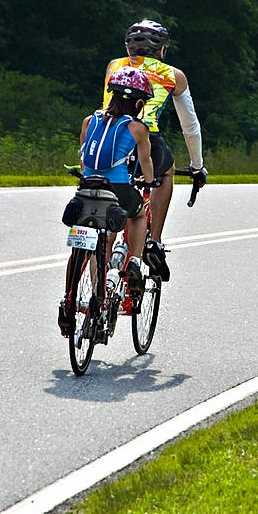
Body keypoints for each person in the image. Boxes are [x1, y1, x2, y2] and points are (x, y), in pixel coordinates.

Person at [103, 19, 207, 280]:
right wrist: (197, 166)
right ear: (162, 50)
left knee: (111, 188)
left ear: (128, 49)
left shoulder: (114, 66)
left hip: (106, 134)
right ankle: (154, 242)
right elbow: (190, 126)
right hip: (143, 135)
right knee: (166, 170)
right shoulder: (173, 75)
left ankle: (103, 259)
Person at [60, 68, 153, 336]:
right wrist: (150, 181)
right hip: (118, 190)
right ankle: (134, 262)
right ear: (139, 103)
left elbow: (83, 157)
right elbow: (145, 164)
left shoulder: (90, 121)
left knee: (83, 244)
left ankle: (68, 300)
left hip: (87, 190)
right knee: (137, 214)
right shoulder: (137, 128)